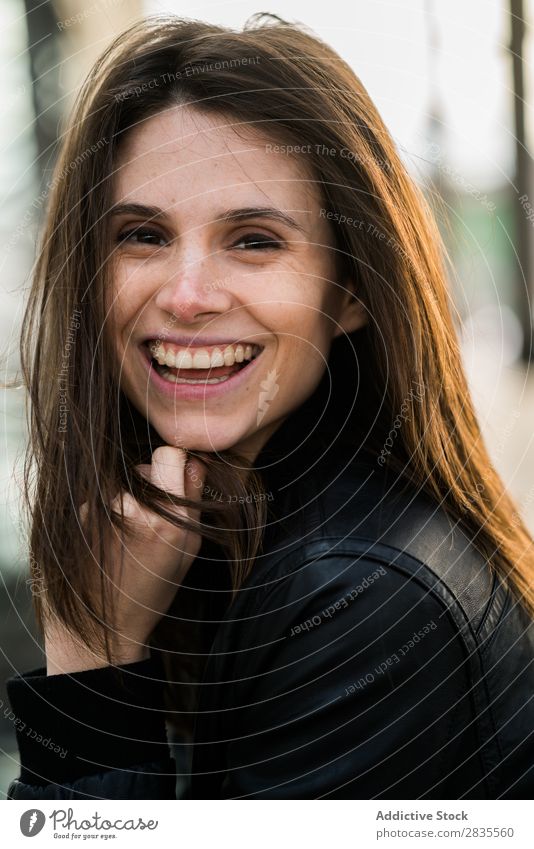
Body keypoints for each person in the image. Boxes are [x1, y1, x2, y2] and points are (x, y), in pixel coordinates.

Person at [4, 14, 533, 800]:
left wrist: (97, 656)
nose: (185, 297)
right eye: (143, 234)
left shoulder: (361, 601)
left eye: (253, 240)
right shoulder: (228, 528)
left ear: (350, 290)